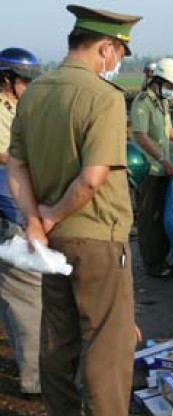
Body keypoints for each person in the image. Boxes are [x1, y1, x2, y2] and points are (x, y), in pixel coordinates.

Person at [8, 5, 144, 416]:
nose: (116, 61)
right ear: (105, 46)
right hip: (97, 237)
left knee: (58, 337)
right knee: (107, 341)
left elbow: (17, 168)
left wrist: (35, 221)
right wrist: (50, 215)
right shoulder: (102, 96)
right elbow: (92, 178)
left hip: (49, 244)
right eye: (118, 52)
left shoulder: (34, 93)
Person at [131, 57, 173, 278]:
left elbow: (168, 130)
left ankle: (163, 259)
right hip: (149, 170)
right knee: (149, 218)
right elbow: (140, 136)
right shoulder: (143, 102)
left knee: (163, 215)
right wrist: (164, 160)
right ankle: (153, 264)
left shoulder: (162, 102)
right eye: (170, 87)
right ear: (158, 81)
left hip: (162, 168)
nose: (172, 92)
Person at [0, 47, 42, 397]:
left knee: (14, 294)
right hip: (7, 210)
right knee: (28, 295)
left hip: (12, 202)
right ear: (7, 79)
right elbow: (9, 154)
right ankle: (34, 380)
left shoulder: (16, 107)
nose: (29, 86)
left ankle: (27, 365)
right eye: (24, 80)